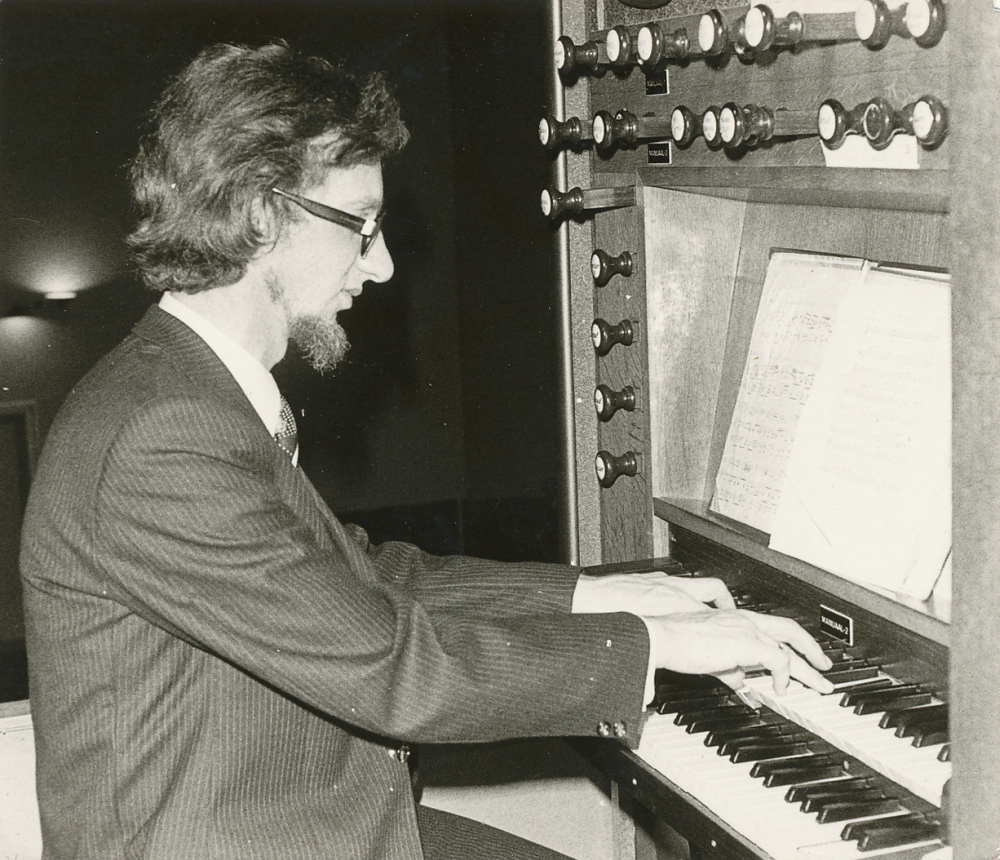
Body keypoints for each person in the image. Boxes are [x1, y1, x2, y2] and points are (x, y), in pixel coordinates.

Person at [19, 41, 832, 860]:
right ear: (262, 216)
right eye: (361, 227)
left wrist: (601, 598)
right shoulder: (161, 435)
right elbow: (396, 673)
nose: (382, 264)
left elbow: (362, 581)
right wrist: (655, 647)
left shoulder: (191, 392)